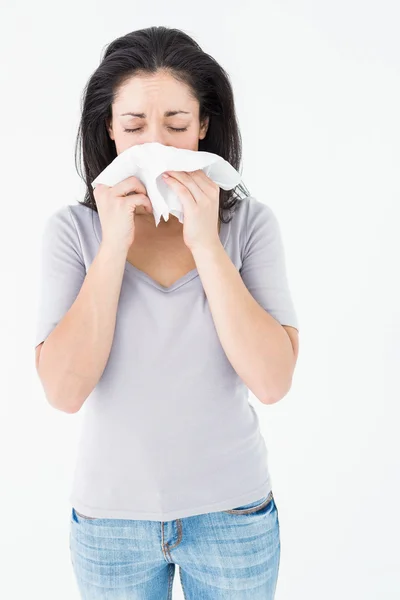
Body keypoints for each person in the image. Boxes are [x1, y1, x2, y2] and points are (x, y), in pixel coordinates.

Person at [34, 26, 299, 600]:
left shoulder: (249, 226)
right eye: (134, 127)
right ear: (108, 129)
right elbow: (63, 391)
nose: (156, 142)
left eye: (176, 126)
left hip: (233, 517)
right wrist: (112, 247)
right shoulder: (72, 232)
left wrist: (207, 245)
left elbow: (273, 381)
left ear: (204, 126)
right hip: (110, 525)